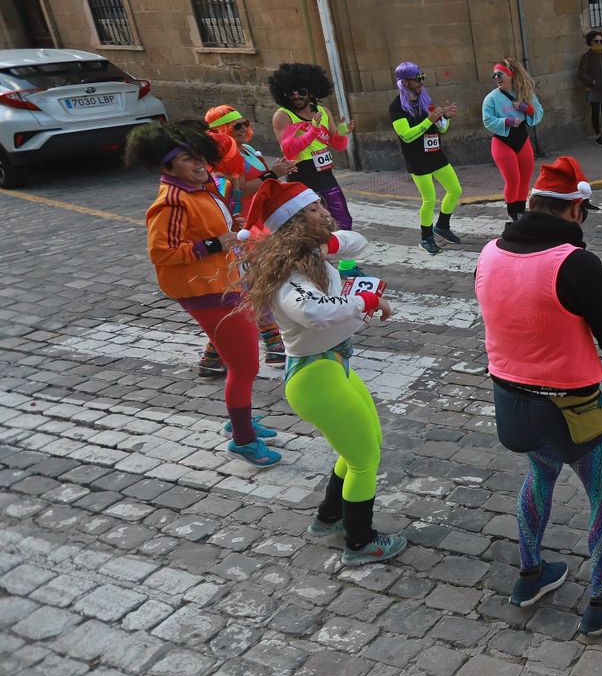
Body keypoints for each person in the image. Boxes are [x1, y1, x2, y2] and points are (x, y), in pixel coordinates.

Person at [474, 156, 602, 632]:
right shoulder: (576, 263)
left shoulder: (490, 252)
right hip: (572, 411)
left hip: (512, 403)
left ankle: (530, 574)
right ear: (575, 209)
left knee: (540, 475)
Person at [241, 179, 408, 564]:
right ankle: (360, 543)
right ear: (294, 224)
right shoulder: (289, 273)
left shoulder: (311, 253)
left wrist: (327, 242)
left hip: (334, 367)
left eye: (319, 205)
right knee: (364, 459)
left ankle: (329, 518)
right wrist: (364, 301)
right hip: (314, 377)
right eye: (314, 209)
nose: (324, 211)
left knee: (365, 444)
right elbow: (313, 312)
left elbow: (357, 242)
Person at [135, 121, 279, 467]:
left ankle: (240, 421)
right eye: (188, 158)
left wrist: (232, 227)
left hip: (225, 282)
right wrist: (215, 243)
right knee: (245, 366)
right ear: (168, 166)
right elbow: (162, 252)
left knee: (239, 363)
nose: (200, 163)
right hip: (208, 291)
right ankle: (243, 440)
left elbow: (210, 227)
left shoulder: (201, 189)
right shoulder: (171, 202)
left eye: (201, 156)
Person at [200, 106, 292, 374]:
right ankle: (273, 344)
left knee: (253, 288)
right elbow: (231, 199)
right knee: (254, 287)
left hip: (256, 224)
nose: (243, 129)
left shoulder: (247, 153)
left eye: (244, 123)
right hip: (242, 233)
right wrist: (272, 174)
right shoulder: (222, 170)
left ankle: (212, 358)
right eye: (235, 126)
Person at [269, 63, 355, 230]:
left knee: (343, 222)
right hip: (302, 176)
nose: (296, 96)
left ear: (312, 91)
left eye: (301, 91)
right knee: (311, 228)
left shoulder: (323, 112)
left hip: (326, 175)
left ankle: (340, 247)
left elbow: (338, 146)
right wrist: (313, 130)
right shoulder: (283, 116)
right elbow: (289, 150)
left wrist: (343, 132)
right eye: (290, 92)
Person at [389, 62, 461, 255]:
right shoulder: (397, 106)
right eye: (417, 79)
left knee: (455, 190)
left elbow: (442, 128)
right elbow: (406, 135)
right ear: (405, 82)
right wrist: (428, 121)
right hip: (417, 158)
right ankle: (426, 238)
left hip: (435, 153)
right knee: (429, 199)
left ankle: (442, 226)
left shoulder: (425, 99)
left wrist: (445, 117)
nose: (421, 82)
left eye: (422, 77)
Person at [481, 58, 543, 220]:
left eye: (499, 74)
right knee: (513, 179)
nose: (496, 77)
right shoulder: (491, 98)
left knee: (525, 178)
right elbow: (487, 120)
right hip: (502, 142)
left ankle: (521, 211)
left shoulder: (524, 93)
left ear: (510, 75)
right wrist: (507, 121)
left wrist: (526, 108)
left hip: (522, 140)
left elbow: (539, 112)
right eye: (493, 75)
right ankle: (512, 213)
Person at [577, 30, 602, 146]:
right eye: (596, 41)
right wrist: (592, 82)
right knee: (595, 111)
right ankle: (598, 135)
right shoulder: (587, 56)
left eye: (601, 41)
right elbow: (581, 73)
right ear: (591, 42)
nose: (599, 43)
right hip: (593, 89)